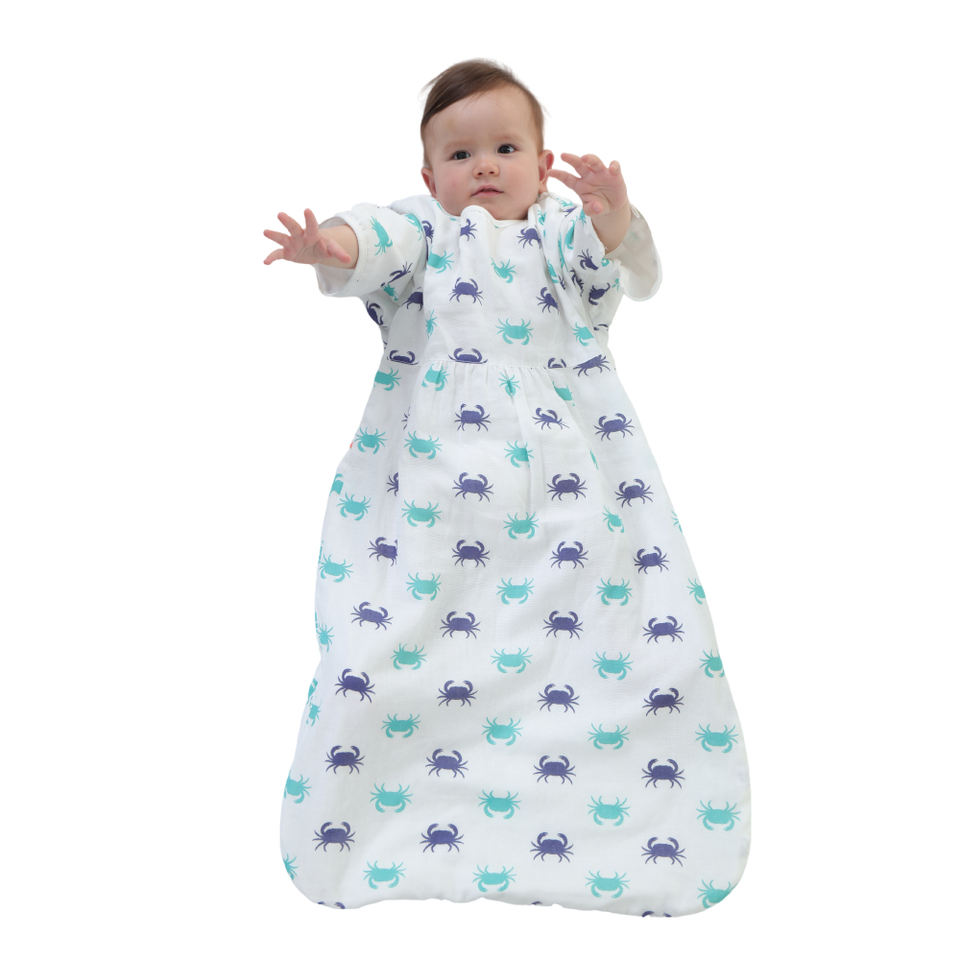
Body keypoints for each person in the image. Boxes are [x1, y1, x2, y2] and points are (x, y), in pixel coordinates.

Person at [267, 59, 749, 917]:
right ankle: (399, 804)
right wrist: (332, 247)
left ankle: (617, 801)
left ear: (542, 162)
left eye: (505, 148)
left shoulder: (559, 234)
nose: (483, 166)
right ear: (429, 178)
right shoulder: (426, 234)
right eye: (459, 156)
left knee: (620, 621)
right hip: (433, 484)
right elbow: (374, 239)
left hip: (572, 474)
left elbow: (619, 268)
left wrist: (613, 215)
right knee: (399, 636)